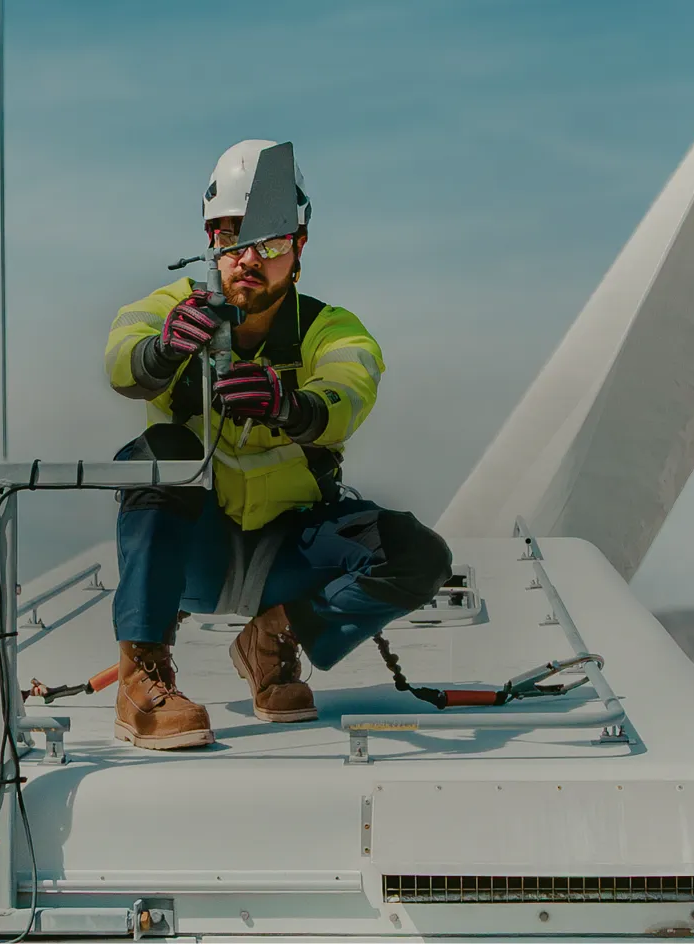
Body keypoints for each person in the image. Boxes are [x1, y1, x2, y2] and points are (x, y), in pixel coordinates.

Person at [104, 139, 452, 750]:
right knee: (158, 451)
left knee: (418, 554)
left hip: (289, 551)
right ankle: (142, 676)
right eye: (229, 238)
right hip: (195, 551)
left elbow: (349, 388)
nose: (246, 258)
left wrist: (294, 405)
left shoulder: (331, 329)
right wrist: (162, 350)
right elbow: (122, 362)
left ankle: (273, 637)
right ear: (210, 241)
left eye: (267, 243)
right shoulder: (167, 309)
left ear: (299, 246)